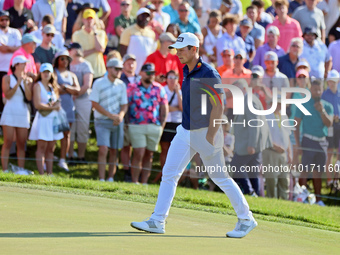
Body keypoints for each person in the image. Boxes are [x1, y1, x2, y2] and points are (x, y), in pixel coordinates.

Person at [131, 33, 257, 238]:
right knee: (169, 173)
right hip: (185, 131)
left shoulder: (208, 73)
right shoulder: (185, 69)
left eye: (182, 49)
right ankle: (157, 220)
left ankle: (246, 219)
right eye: (177, 49)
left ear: (194, 50)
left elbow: (219, 105)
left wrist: (211, 135)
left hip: (206, 133)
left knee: (219, 178)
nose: (178, 53)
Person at [127, 63, 168, 184]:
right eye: (148, 73)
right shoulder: (132, 87)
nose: (151, 75)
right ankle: (135, 181)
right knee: (138, 153)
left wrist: (162, 126)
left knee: (149, 155)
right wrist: (127, 123)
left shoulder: (159, 88)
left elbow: (164, 108)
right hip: (136, 124)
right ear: (141, 73)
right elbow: (126, 106)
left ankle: (144, 182)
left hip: (154, 125)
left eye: (153, 73)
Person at [294, 79, 333, 206]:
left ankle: (318, 200)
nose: (317, 92)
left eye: (319, 89)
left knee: (318, 172)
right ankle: (302, 197)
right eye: (314, 89)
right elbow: (296, 124)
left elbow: (329, 124)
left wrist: (321, 111)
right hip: (307, 140)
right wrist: (298, 145)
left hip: (322, 142)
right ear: (310, 90)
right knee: (304, 170)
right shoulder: (304, 104)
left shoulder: (327, 106)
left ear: (322, 90)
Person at [89, 58, 128, 182]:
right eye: (116, 69)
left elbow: (124, 104)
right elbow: (94, 103)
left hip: (117, 122)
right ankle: (101, 178)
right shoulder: (98, 83)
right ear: (108, 68)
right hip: (102, 121)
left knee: (114, 151)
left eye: (120, 69)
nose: (119, 71)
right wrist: (111, 115)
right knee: (103, 149)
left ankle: (110, 178)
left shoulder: (121, 84)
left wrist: (120, 116)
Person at [29, 63, 63, 175]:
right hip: (43, 119)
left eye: (48, 72)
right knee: (41, 147)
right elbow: (37, 104)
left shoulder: (52, 87)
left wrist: (56, 105)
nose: (46, 74)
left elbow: (55, 102)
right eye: (44, 72)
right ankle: (41, 173)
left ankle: (50, 173)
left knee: (50, 149)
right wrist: (53, 107)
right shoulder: (37, 85)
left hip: (53, 119)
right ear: (41, 73)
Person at [0, 56, 32, 172]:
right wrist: (18, 83)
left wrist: (25, 83)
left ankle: (21, 170)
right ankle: (4, 169)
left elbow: (29, 97)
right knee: (8, 141)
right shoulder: (7, 78)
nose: (25, 65)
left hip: (23, 113)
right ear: (16, 65)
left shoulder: (28, 79)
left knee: (21, 143)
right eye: (23, 63)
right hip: (10, 112)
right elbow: (7, 95)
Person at [53, 50, 80, 171]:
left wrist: (65, 87)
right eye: (62, 58)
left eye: (67, 59)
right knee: (52, 133)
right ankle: (49, 156)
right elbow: (55, 89)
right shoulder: (54, 72)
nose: (64, 61)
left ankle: (62, 159)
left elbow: (77, 90)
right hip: (56, 107)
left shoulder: (72, 75)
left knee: (66, 134)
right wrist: (68, 89)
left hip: (69, 107)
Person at [67, 42, 94, 164]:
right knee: (71, 129)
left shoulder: (86, 65)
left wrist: (75, 94)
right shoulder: (67, 64)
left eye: (71, 49)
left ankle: (81, 157)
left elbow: (87, 85)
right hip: (69, 101)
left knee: (83, 128)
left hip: (83, 100)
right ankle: (70, 155)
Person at [263, 96, 292, 200]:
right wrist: (275, 146)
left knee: (284, 180)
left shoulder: (284, 116)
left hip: (283, 154)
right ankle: (271, 201)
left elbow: (287, 135)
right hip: (270, 152)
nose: (280, 105)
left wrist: (289, 153)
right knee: (271, 180)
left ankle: (284, 204)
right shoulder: (266, 115)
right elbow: (264, 135)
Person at [157, 70, 182, 181]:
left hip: (177, 122)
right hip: (166, 122)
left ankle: (172, 174)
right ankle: (163, 172)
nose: (172, 80)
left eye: (175, 77)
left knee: (175, 149)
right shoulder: (163, 90)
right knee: (165, 148)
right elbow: (163, 107)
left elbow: (182, 108)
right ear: (167, 79)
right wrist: (173, 108)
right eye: (170, 77)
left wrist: (177, 93)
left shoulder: (179, 92)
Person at [72, 9, 107, 83]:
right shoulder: (77, 35)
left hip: (98, 71)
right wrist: (94, 50)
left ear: (94, 20)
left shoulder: (100, 33)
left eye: (91, 19)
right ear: (83, 20)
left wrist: (95, 33)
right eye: (87, 19)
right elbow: (79, 54)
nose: (89, 21)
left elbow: (100, 49)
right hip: (83, 72)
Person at [119, 7, 156, 73]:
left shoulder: (152, 33)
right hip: (131, 68)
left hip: (145, 70)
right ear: (137, 17)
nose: (145, 19)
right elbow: (122, 50)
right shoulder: (128, 31)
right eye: (142, 16)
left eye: (147, 17)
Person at [0, 10, 21, 115]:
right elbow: (2, 49)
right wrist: (12, 48)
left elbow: (19, 48)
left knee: (12, 94)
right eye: (2, 19)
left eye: (6, 19)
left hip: (13, 69)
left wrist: (7, 47)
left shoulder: (15, 32)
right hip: (1, 69)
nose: (4, 22)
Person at [321, 70, 340, 187]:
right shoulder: (324, 95)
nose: (332, 84)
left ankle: (336, 180)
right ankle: (329, 181)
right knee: (329, 154)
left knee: (338, 155)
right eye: (330, 82)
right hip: (329, 126)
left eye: (334, 81)